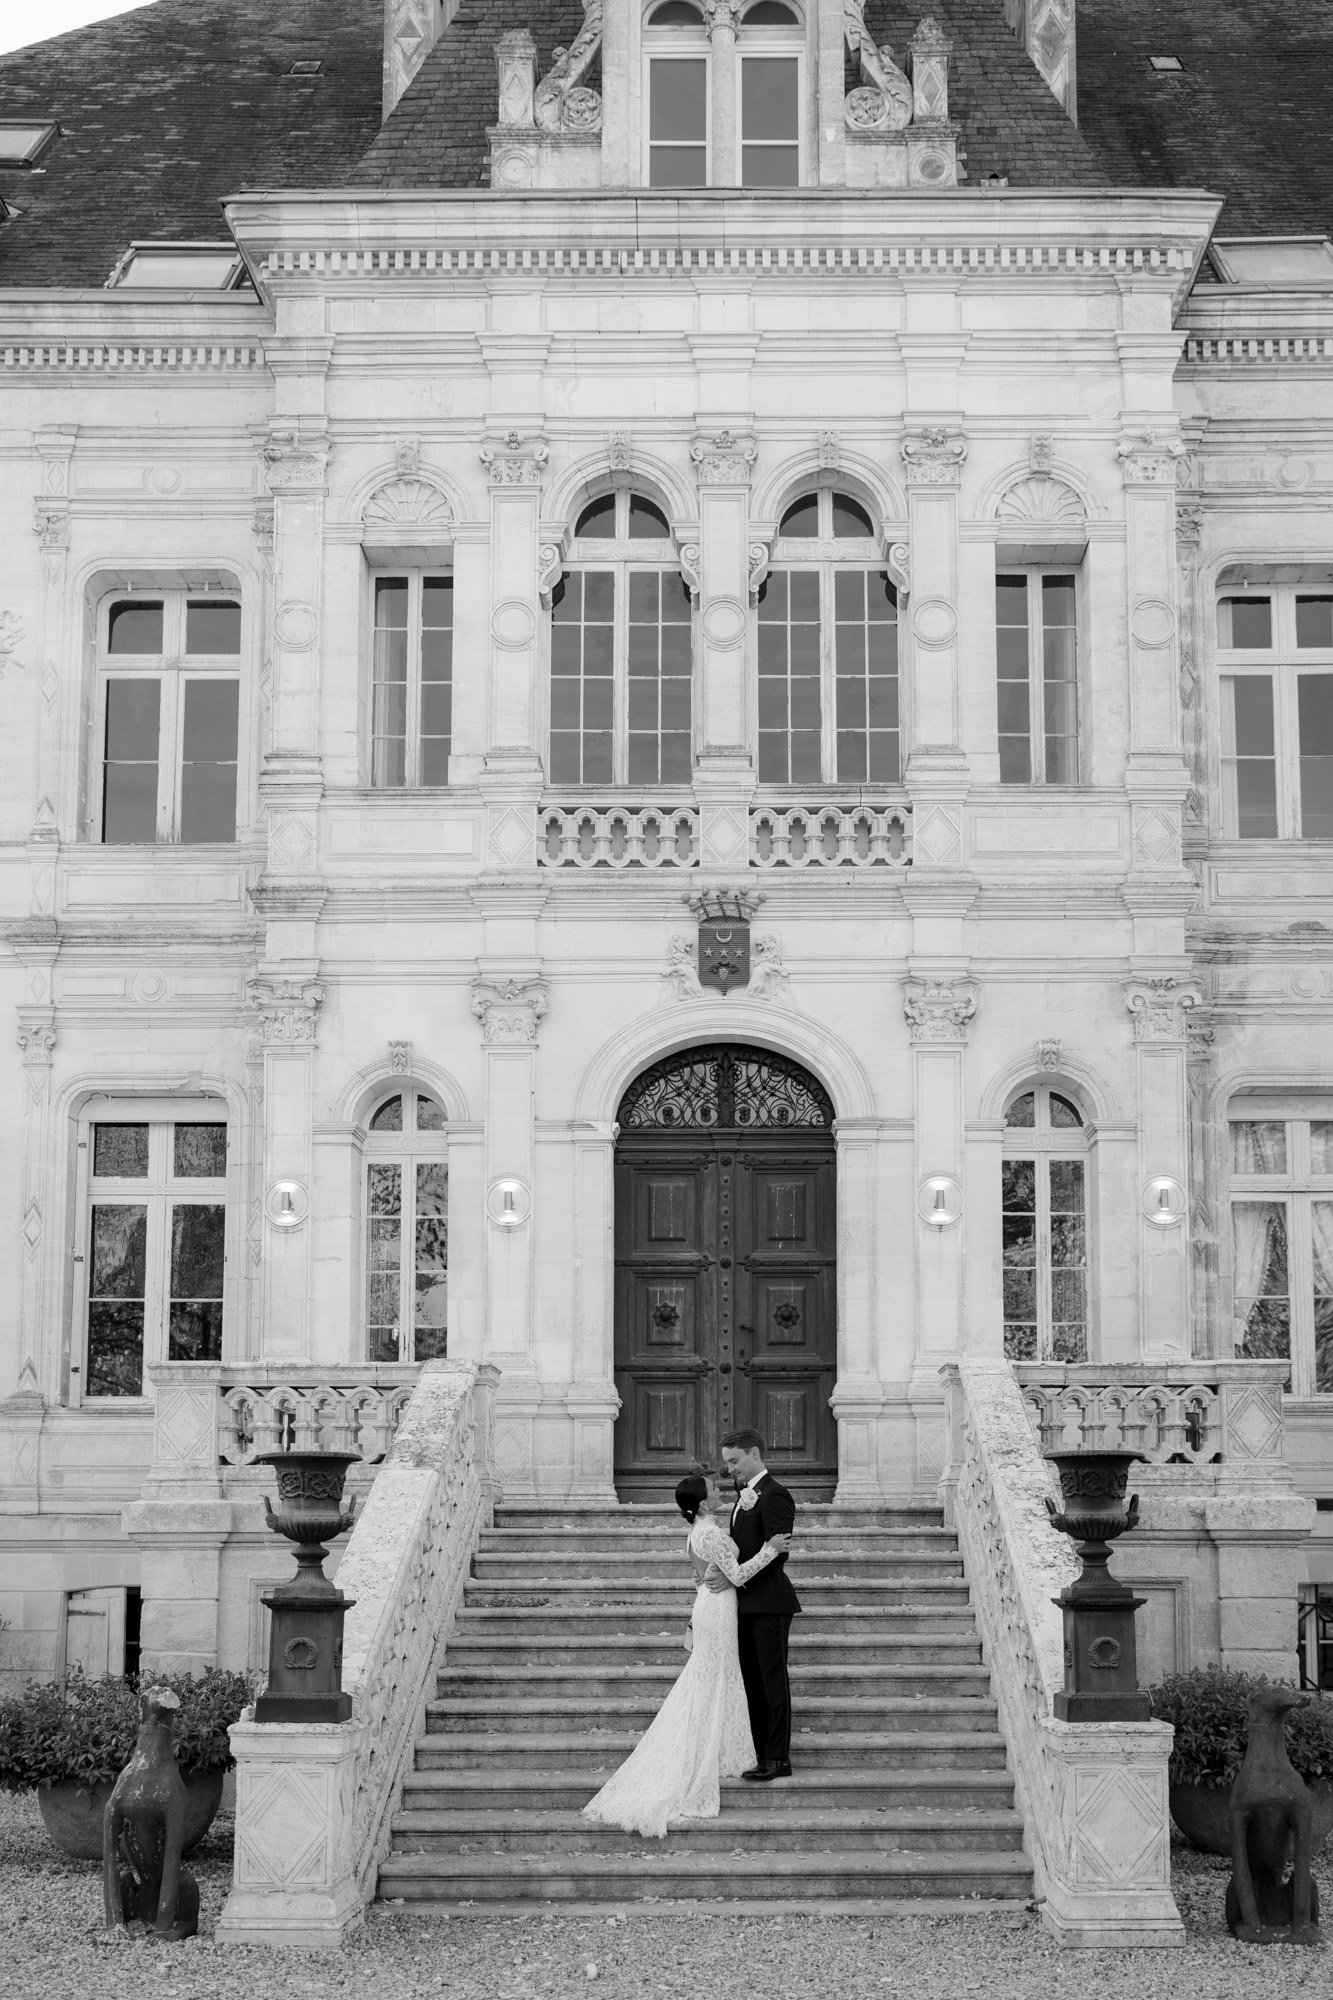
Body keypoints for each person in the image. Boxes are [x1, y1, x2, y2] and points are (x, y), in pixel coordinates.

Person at [581, 1470, 791, 1838]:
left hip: (709, 1604)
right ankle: (705, 1753)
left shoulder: (696, 1531)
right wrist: (771, 1548)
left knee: (711, 1676)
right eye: (713, 1488)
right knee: (713, 1676)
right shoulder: (709, 1532)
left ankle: (720, 1748)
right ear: (701, 1501)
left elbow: (706, 1573)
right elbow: (738, 1575)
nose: (720, 1488)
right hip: (719, 1607)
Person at [720, 1426, 800, 1781]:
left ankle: (778, 1758)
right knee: (752, 1681)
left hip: (769, 1602)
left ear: (755, 1453)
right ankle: (760, 1753)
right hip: (746, 1604)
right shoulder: (744, 1495)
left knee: (771, 1680)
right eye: (727, 1463)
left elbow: (777, 1553)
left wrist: (738, 1576)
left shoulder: (775, 1495)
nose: (730, 1469)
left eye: (735, 1461)